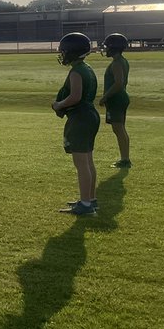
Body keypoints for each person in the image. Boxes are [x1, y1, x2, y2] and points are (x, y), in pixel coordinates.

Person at [51, 32, 99, 215]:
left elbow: (75, 97)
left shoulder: (76, 71)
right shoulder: (87, 68)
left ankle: (85, 205)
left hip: (80, 117)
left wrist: (59, 104)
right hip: (90, 115)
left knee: (81, 163)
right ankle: (90, 199)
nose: (62, 55)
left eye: (64, 51)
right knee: (88, 160)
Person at [98, 32, 131, 168]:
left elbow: (118, 83)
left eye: (107, 47)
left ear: (113, 47)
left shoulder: (117, 63)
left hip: (116, 99)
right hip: (119, 98)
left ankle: (125, 159)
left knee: (119, 129)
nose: (106, 49)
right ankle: (125, 158)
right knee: (120, 129)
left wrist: (104, 97)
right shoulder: (122, 61)